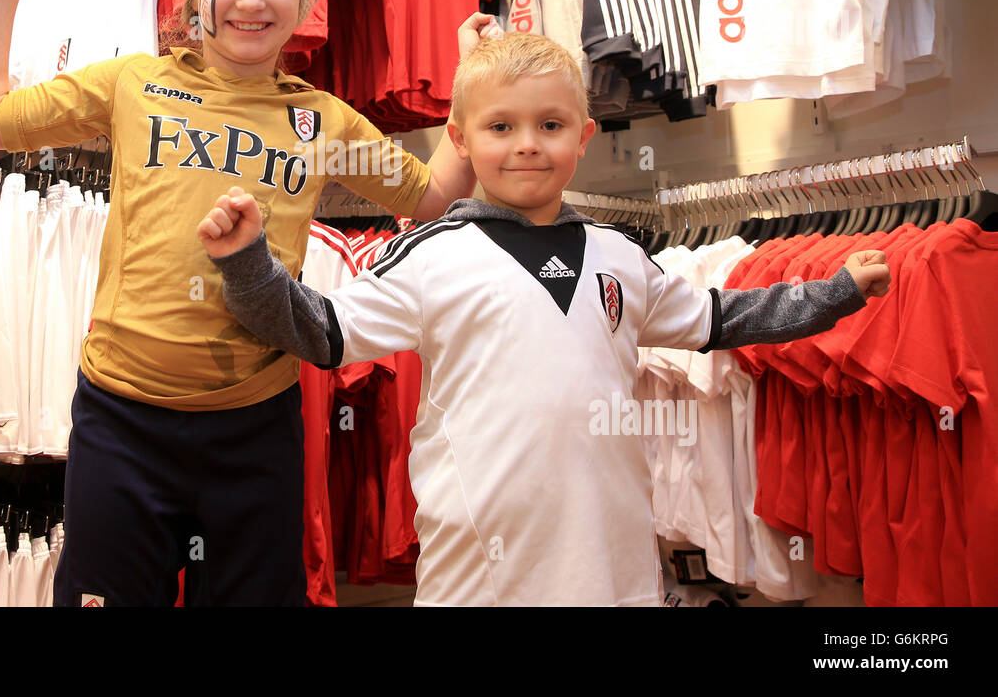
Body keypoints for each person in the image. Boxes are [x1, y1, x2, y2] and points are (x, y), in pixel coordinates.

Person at [198, 31, 893, 606]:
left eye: (550, 125)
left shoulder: (621, 256)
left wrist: (836, 292)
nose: (527, 143)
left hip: (615, 569)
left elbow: (721, 316)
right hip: (480, 575)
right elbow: (318, 331)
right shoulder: (430, 255)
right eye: (502, 126)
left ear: (584, 137)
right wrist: (248, 265)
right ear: (461, 139)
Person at [0, 0, 492, 606]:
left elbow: (430, 195)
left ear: (301, 2)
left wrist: (472, 83)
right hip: (121, 417)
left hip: (255, 425)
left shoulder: (321, 120)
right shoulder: (134, 84)